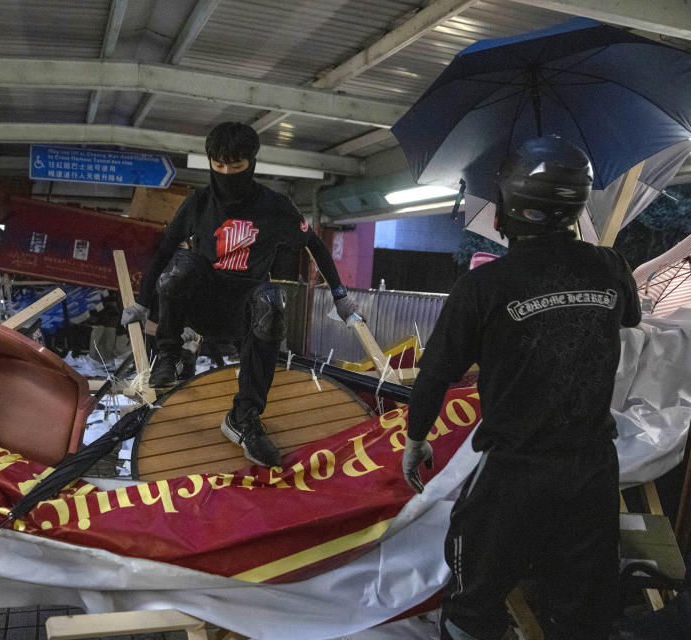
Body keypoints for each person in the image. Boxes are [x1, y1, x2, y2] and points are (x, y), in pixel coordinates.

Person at [401, 136, 641, 640]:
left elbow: (436, 375)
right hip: (592, 472)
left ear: (508, 206)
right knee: (584, 617)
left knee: (472, 608)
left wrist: (416, 436)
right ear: (576, 203)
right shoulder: (611, 267)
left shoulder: (485, 286)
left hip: (515, 474)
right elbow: (631, 318)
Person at [121, 122, 356, 468]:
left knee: (272, 300)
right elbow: (165, 250)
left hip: (245, 311)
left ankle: (243, 419)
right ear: (211, 163)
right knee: (182, 265)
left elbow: (316, 245)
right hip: (203, 304)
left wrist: (340, 295)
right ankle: (169, 357)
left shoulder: (275, 207)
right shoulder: (198, 204)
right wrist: (143, 303)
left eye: (236, 166)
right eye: (219, 166)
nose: (227, 173)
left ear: (252, 163)